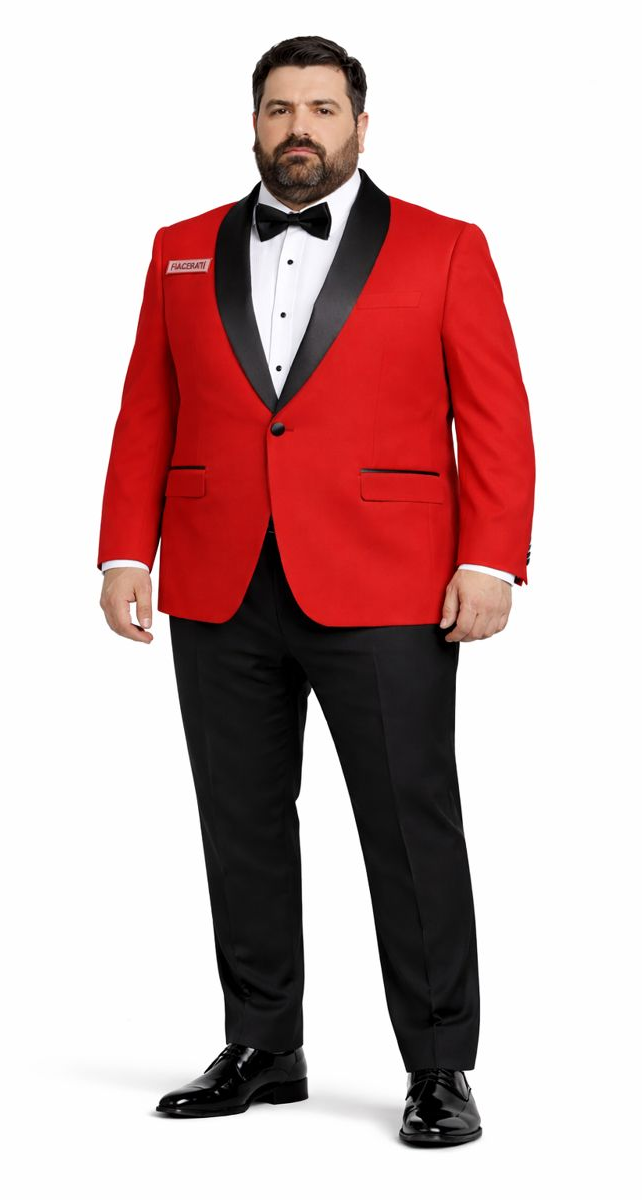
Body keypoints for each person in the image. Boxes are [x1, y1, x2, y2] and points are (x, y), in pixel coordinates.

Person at [97, 34, 535, 1147]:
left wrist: (491, 557)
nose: (301, 128)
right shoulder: (179, 249)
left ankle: (439, 1065)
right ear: (254, 124)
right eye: (281, 109)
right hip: (218, 576)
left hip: (388, 581)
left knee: (409, 822)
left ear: (360, 125)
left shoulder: (446, 246)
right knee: (239, 821)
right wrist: (124, 550)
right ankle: (263, 1045)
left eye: (323, 109)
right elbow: (149, 403)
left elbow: (494, 412)